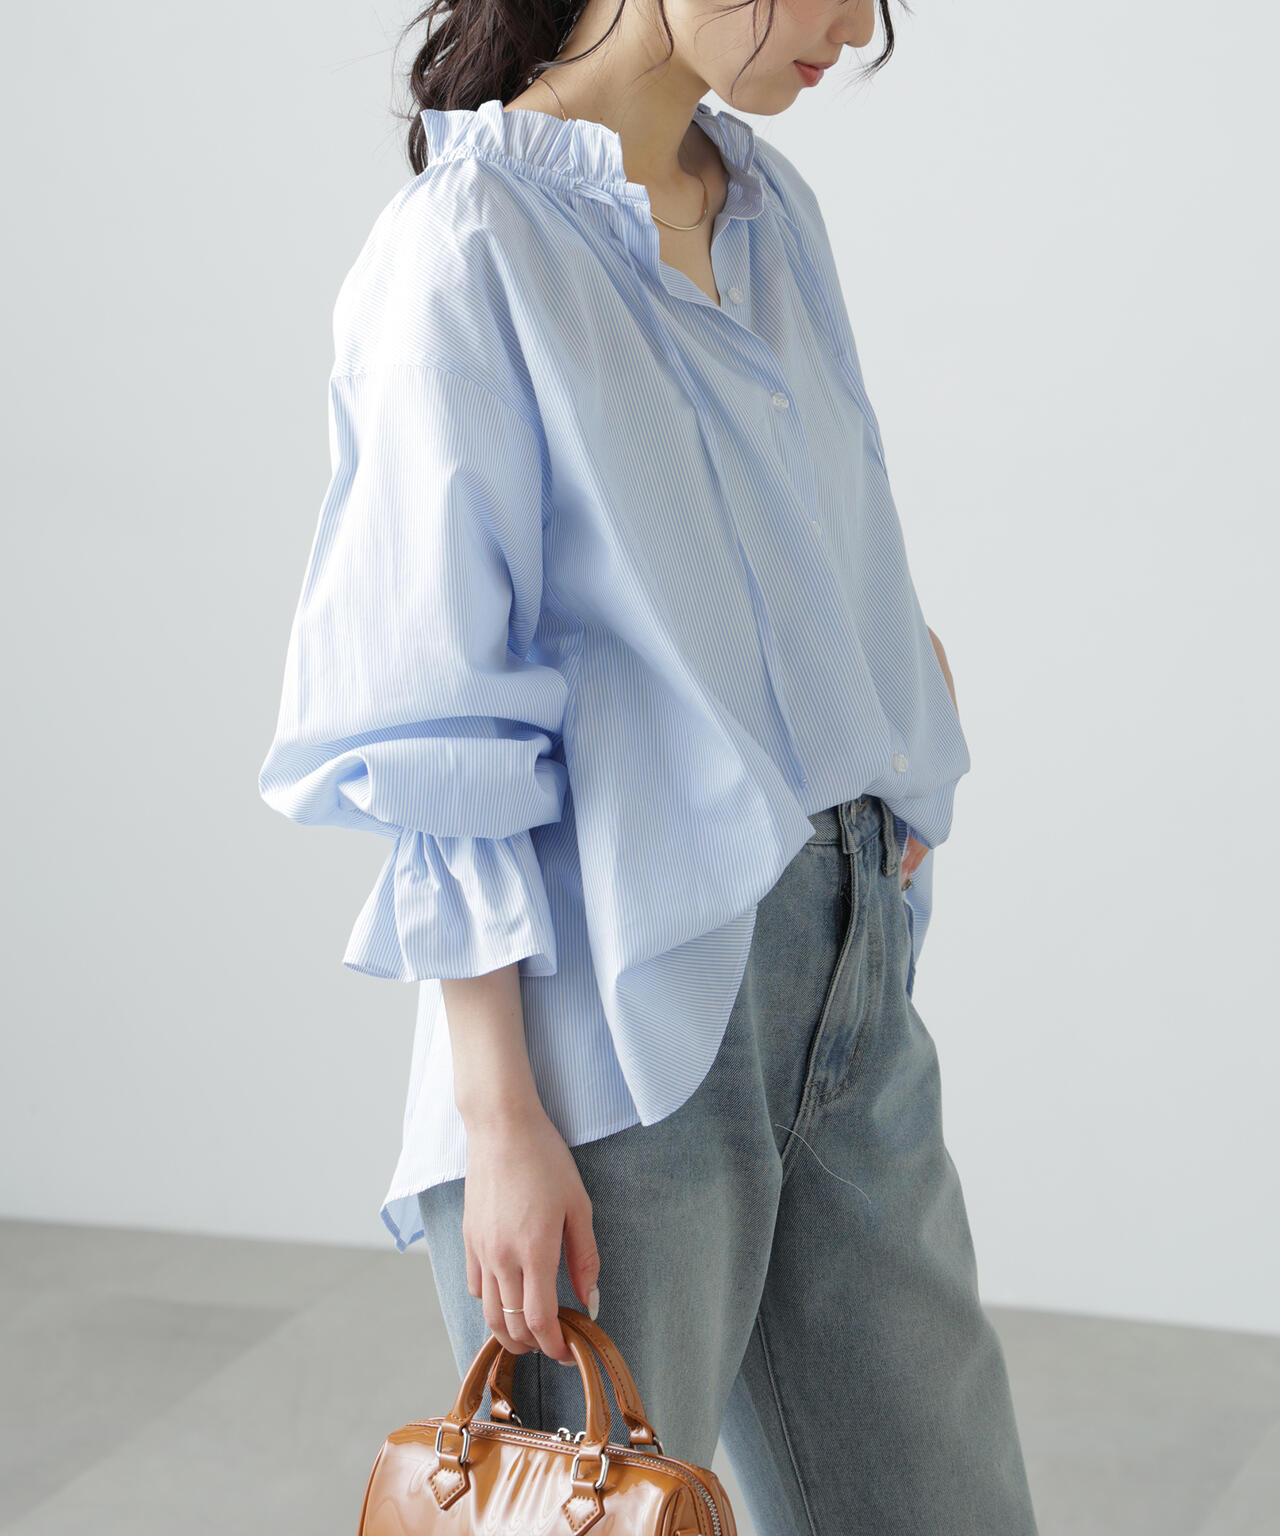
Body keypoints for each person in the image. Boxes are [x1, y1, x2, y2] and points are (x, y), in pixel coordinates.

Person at [258, 0, 1041, 1529]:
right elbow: (435, 713)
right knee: (591, 1502)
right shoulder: (466, 246)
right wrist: (498, 1118)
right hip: (609, 1020)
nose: (857, 26)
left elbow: (797, 529)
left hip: (846, 958)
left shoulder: (767, 208)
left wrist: (889, 692)